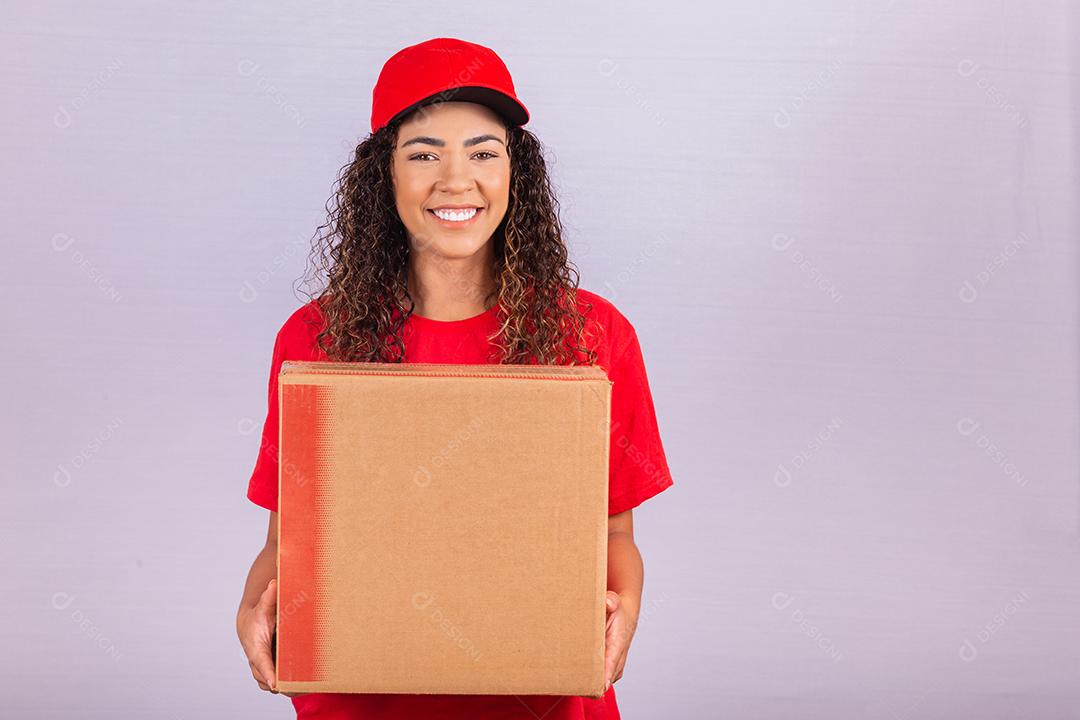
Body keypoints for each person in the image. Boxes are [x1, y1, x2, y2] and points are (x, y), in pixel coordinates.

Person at [235, 37, 674, 720]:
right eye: (423, 154)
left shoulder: (592, 336)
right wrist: (251, 610)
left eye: (481, 152)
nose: (455, 179)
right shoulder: (316, 338)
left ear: (513, 173)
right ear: (383, 174)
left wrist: (625, 613)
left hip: (541, 699)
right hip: (361, 700)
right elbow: (284, 543)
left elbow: (615, 536)